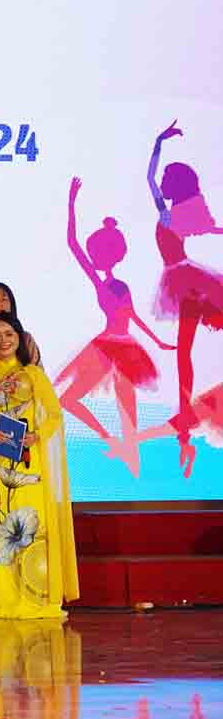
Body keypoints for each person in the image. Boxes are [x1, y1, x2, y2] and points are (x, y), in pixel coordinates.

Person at [56, 177, 175, 477]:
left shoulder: (107, 284)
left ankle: (122, 453)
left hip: (115, 347)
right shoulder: (111, 284)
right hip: (117, 347)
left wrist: (72, 201)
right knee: (116, 412)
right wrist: (70, 202)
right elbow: (132, 317)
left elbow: (131, 316)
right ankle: (119, 448)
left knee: (116, 412)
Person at [0, 314, 79, 618]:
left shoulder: (33, 374)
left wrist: (36, 436)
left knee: (30, 527)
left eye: (9, 334)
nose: (3, 340)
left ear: (19, 337)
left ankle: (34, 595)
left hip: (28, 465)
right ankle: (1, 596)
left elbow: (56, 416)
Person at [144, 120, 223, 466]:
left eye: (166, 179)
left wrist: (160, 143)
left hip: (188, 281)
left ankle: (185, 426)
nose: (161, 182)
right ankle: (184, 425)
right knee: (184, 354)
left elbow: (212, 227)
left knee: (185, 353)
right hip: (182, 281)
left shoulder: (173, 212)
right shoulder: (169, 211)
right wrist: (158, 142)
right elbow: (149, 178)